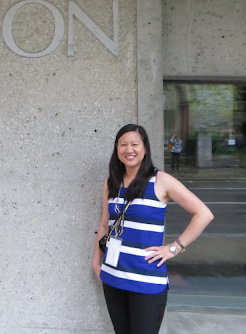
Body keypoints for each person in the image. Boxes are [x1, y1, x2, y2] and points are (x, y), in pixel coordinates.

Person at [92, 124, 213, 334]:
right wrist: (96, 261)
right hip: (113, 275)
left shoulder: (161, 180)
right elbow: (105, 224)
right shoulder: (111, 182)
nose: (129, 149)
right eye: (123, 144)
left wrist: (174, 248)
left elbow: (203, 214)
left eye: (134, 144)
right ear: (117, 148)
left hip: (146, 280)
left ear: (145, 148)